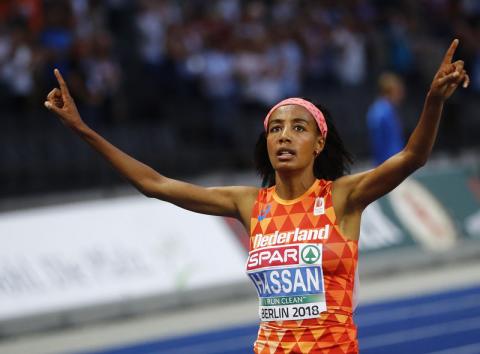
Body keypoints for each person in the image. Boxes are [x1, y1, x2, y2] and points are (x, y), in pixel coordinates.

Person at [44, 39, 469, 353]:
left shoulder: (343, 197)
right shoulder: (249, 204)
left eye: (298, 128)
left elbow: (413, 156)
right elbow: (155, 185)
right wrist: (84, 131)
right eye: (276, 128)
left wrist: (432, 101)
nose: (285, 136)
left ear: (319, 144)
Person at [366, 72, 405, 166]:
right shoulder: (381, 112)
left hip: (393, 163)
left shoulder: (387, 110)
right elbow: (379, 144)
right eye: (397, 91)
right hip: (388, 165)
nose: (400, 95)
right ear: (390, 91)